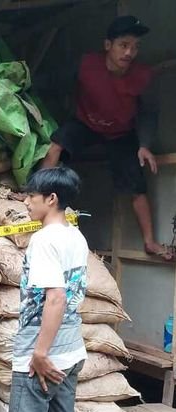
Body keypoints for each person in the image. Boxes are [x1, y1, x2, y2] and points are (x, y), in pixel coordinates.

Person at [40, 15, 170, 260]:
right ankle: (38, 194)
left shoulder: (143, 76)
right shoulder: (86, 64)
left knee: (137, 185)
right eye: (123, 45)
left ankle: (150, 242)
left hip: (121, 132)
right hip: (85, 123)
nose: (130, 52)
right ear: (108, 45)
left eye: (135, 47)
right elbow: (53, 81)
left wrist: (144, 145)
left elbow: (149, 113)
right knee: (55, 146)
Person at [9, 167, 89, 412]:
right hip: (72, 350)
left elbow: (55, 297)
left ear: (51, 199)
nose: (26, 201)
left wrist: (39, 353)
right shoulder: (76, 236)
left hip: (42, 354)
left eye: (31, 195)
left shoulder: (44, 240)